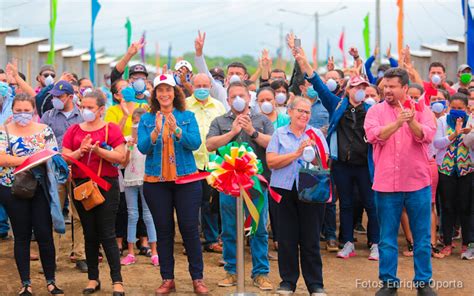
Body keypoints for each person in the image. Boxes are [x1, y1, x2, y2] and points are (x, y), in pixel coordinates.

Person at [289, 37, 380, 260]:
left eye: (363, 88)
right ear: (348, 89)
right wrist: (302, 60)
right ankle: (347, 241)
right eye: (356, 87)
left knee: (371, 204)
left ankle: (376, 243)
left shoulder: (372, 110)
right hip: (342, 165)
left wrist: (361, 60)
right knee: (345, 204)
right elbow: (317, 83)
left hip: (365, 165)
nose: (360, 91)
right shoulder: (336, 104)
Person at [364, 68, 437, 296]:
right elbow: (374, 135)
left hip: (417, 183)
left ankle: (423, 283)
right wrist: (397, 122)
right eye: (385, 86)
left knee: (422, 237)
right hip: (386, 185)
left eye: (392, 86)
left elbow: (426, 136)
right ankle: (388, 283)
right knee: (386, 238)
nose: (387, 90)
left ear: (405, 88)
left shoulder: (422, 110)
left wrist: (411, 121)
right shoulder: (374, 111)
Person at [137, 74, 208, 294]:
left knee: (189, 229)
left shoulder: (187, 116)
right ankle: (167, 278)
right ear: (155, 95)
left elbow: (195, 143)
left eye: (168, 90)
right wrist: (156, 131)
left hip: (186, 180)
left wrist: (177, 129)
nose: (164, 94)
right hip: (156, 182)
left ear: (174, 93)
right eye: (160, 90)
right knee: (164, 230)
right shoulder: (147, 119)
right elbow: (142, 148)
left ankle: (198, 279)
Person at [207, 81, 274, 291]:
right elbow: (210, 145)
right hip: (228, 185)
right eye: (233, 96)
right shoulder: (220, 121)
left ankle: (260, 273)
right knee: (229, 229)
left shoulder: (262, 120)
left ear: (249, 98)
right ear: (227, 100)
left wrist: (252, 131)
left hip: (256, 184)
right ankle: (232, 271)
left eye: (241, 95)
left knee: (259, 229)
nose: (238, 99)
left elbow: (273, 143)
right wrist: (232, 132)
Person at [62, 90, 126, 295]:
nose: (85, 111)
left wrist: (99, 151)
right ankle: (93, 278)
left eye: (90, 107)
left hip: (106, 184)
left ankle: (117, 281)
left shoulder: (111, 129)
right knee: (89, 233)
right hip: (81, 187)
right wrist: (80, 151)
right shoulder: (73, 130)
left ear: (100, 109)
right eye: (83, 106)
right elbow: (64, 158)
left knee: (107, 233)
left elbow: (120, 157)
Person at [0, 93, 64, 295]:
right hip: (12, 188)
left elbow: (53, 154)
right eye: (18, 111)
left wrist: (20, 158)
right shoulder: (4, 131)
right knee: (21, 235)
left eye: (26, 111)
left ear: (34, 111)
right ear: (12, 111)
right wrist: (31, 158)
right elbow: (2, 159)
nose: (22, 114)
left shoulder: (44, 130)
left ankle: (51, 281)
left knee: (45, 234)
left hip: (41, 187)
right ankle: (25, 283)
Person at [266, 96, 329, 296]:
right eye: (300, 111)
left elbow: (325, 165)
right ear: (290, 112)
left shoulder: (316, 134)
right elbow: (272, 162)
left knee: (311, 238)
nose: (303, 115)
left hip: (310, 190)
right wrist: (296, 153)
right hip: (283, 190)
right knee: (286, 238)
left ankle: (315, 284)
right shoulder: (279, 134)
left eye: (307, 112)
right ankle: (288, 281)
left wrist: (314, 153)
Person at [40, 80, 87, 272]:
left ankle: (80, 255)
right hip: (54, 171)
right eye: (54, 96)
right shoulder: (48, 116)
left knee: (79, 214)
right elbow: (40, 141)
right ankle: (51, 257)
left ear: (70, 96)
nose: (56, 99)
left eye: (60, 96)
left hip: (78, 171)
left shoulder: (82, 117)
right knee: (54, 213)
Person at [185, 73, 226, 254]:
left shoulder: (218, 107)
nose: (202, 89)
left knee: (210, 202)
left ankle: (211, 239)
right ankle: (190, 242)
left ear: (211, 87)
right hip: (189, 162)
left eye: (205, 85)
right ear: (192, 87)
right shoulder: (184, 105)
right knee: (190, 204)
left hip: (212, 162)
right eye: (198, 85)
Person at [434, 93, 474, 259]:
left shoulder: (471, 121)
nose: (457, 112)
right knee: (447, 207)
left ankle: (467, 243)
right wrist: (454, 134)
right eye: (454, 108)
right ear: (448, 107)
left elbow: (469, 144)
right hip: (446, 169)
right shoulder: (442, 121)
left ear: (467, 108)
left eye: (461, 108)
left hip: (467, 169)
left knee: (466, 207)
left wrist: (468, 133)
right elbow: (437, 143)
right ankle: (447, 242)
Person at [120, 108, 158, 266]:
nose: (137, 126)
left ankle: (155, 251)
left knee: (149, 215)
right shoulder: (126, 140)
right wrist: (128, 148)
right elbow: (123, 163)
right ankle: (130, 252)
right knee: (132, 214)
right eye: (135, 122)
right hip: (129, 180)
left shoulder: (150, 140)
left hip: (146, 179)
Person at [255, 87, 290, 255]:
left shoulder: (284, 119)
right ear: (256, 102)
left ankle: (279, 239)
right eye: (261, 100)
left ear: (275, 100)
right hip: (261, 169)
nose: (266, 103)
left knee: (278, 207)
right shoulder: (254, 120)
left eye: (269, 99)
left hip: (281, 167)